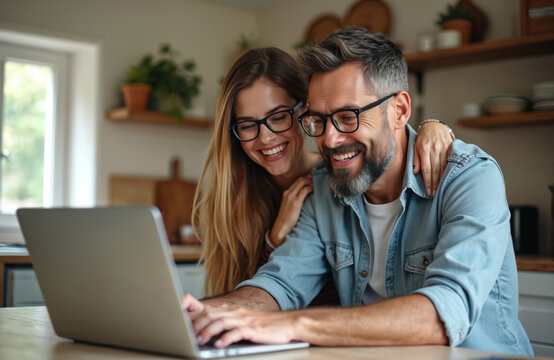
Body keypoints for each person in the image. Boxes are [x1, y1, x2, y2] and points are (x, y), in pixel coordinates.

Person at [183, 28, 533, 356]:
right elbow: (281, 285)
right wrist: (200, 312)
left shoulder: (468, 178)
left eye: (348, 116)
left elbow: (442, 314)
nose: (329, 139)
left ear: (399, 110)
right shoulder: (324, 187)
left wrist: (291, 324)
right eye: (318, 120)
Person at [191, 46, 454, 297]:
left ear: (306, 109)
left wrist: (433, 126)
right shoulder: (230, 201)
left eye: (279, 116)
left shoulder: (344, 175)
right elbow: (253, 296)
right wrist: (275, 239)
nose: (266, 137)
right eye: (248, 125)